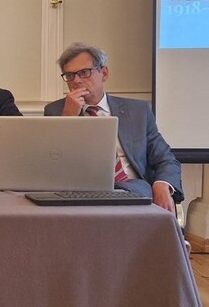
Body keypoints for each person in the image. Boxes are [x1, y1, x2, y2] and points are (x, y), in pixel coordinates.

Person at [44, 42, 181, 211]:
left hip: (133, 190)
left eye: (84, 72)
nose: (76, 81)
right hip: (83, 194)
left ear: (104, 73)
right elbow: (53, 165)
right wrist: (68, 119)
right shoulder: (56, 111)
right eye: (70, 75)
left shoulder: (137, 111)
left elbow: (165, 158)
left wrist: (162, 184)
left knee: (142, 193)